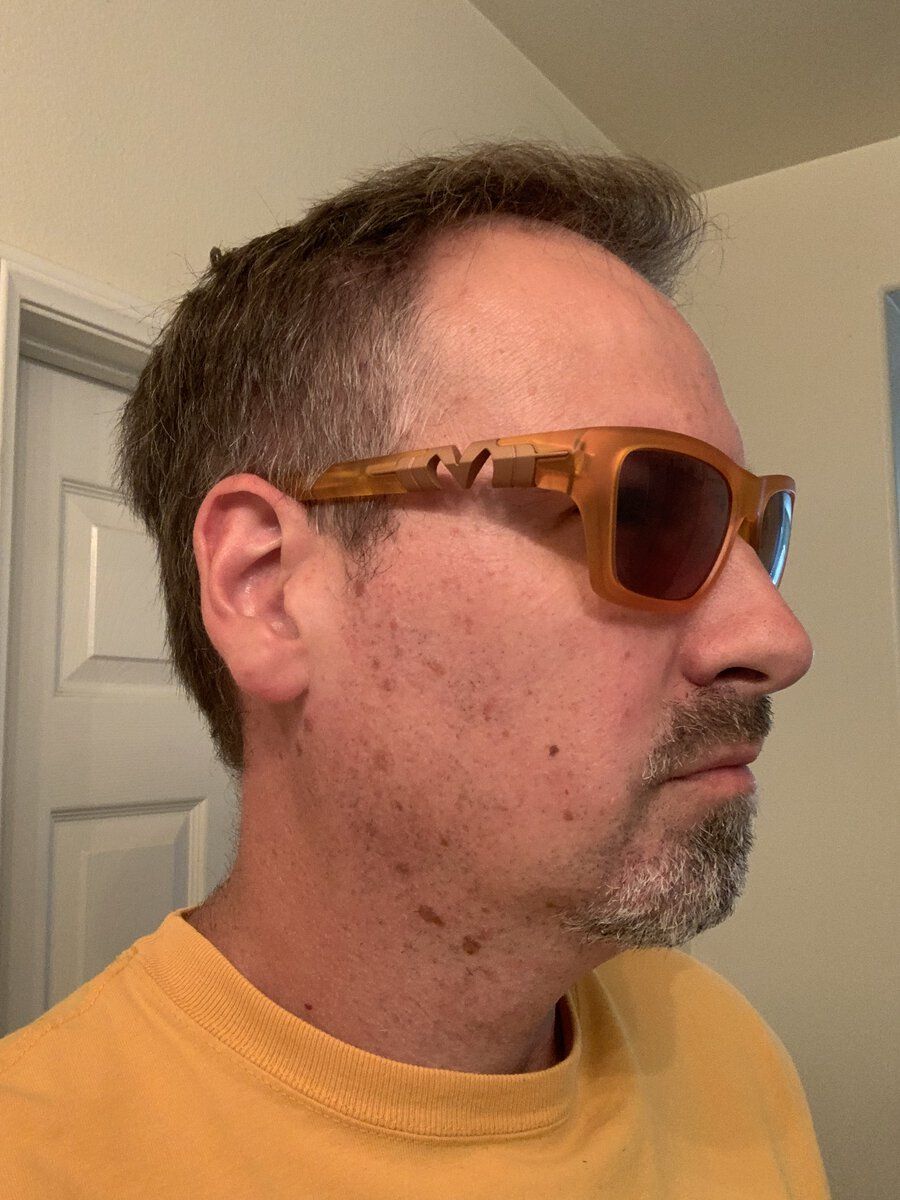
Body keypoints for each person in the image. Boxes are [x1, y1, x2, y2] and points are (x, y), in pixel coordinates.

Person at [0, 142, 831, 1197]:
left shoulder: (723, 1050)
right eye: (644, 510)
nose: (777, 640)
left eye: (756, 531)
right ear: (268, 588)